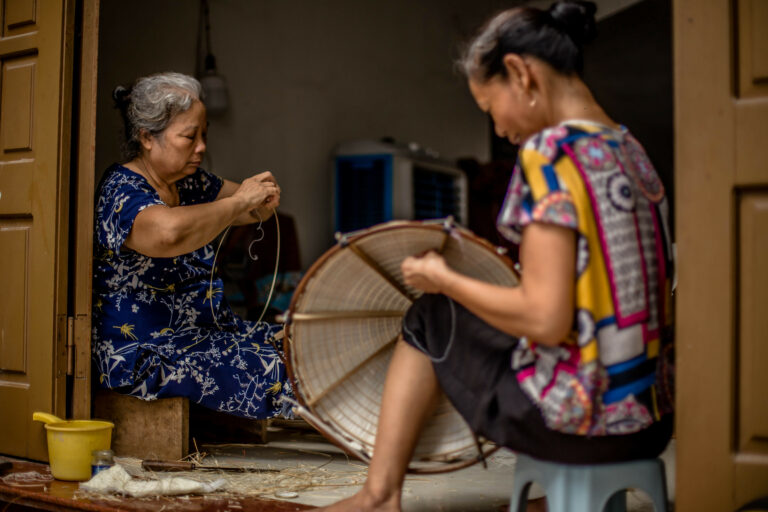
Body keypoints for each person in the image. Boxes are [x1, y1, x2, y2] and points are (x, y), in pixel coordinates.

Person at [318, 1, 674, 510]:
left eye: (491, 108)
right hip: (649, 422)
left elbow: (545, 319)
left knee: (430, 315)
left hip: (577, 423)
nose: (502, 130)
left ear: (519, 74)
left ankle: (378, 496)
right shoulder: (630, 151)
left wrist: (444, 278)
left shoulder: (550, 153)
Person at [92, 72, 292, 419]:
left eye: (203, 135)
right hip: (144, 351)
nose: (201, 147)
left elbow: (253, 209)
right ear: (146, 138)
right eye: (189, 136)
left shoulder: (190, 182)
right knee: (273, 367)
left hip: (203, 332)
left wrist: (260, 196)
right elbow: (168, 234)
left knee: (300, 342)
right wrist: (238, 202)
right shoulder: (120, 189)